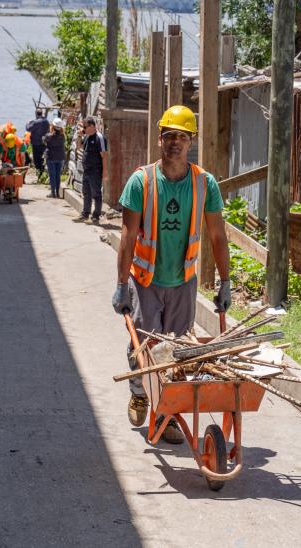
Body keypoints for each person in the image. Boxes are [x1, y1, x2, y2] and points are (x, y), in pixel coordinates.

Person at [111, 105, 231, 444]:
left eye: (181, 136)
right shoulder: (142, 181)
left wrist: (225, 281)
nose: (174, 142)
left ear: (190, 141)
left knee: (177, 351)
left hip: (183, 283)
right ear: (160, 140)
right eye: (168, 136)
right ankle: (139, 392)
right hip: (146, 281)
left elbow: (217, 236)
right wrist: (122, 285)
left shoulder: (204, 184)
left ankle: (167, 415)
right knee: (145, 347)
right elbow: (128, 236)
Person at [75, 117, 108, 224]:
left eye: (85, 127)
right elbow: (79, 147)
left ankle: (96, 215)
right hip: (87, 170)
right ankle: (85, 213)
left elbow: (104, 156)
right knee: (86, 193)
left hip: (95, 170)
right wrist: (80, 136)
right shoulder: (87, 137)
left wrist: (105, 171)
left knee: (96, 194)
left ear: (92, 126)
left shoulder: (99, 137)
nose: (83, 129)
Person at [43, 118, 66, 198]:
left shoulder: (49, 135)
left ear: (53, 126)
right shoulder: (63, 135)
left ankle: (53, 193)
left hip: (51, 157)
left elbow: (44, 142)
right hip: (60, 157)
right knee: (58, 175)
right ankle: (57, 193)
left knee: (52, 175)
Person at [26, 109, 50, 176]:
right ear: (42, 113)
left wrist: (28, 122)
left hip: (36, 143)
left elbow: (28, 128)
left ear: (36, 114)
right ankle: (42, 173)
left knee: (37, 159)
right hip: (44, 143)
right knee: (42, 158)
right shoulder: (46, 121)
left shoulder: (35, 122)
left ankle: (39, 173)